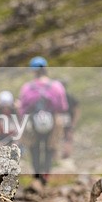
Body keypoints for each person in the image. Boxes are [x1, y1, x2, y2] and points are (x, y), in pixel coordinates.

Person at [19, 57, 69, 185]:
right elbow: (62, 107)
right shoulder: (56, 86)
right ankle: (46, 175)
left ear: (33, 71)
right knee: (49, 147)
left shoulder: (27, 88)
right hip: (53, 121)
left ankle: (36, 176)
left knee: (34, 148)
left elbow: (23, 108)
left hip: (33, 122)